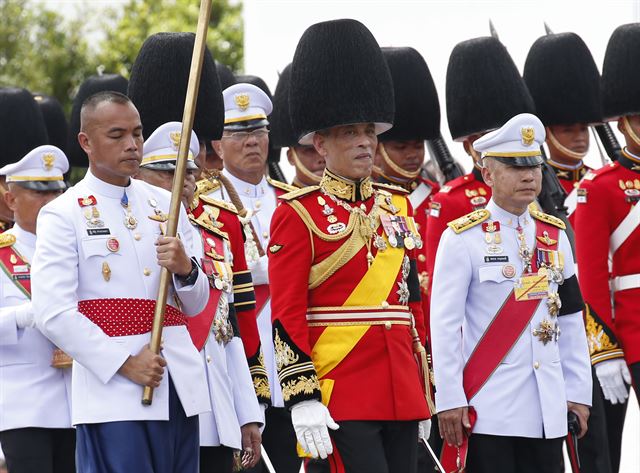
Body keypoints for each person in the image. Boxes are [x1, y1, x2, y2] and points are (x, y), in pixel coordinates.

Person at [268, 19, 432, 473]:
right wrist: (302, 396)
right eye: (348, 132)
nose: (363, 141)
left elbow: (411, 302)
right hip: (341, 388)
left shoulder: (397, 205)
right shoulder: (298, 211)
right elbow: (287, 312)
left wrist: (424, 386)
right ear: (319, 143)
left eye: (368, 131)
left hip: (401, 388)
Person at [31, 91, 211, 473]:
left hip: (177, 381)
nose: (132, 145)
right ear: (86, 142)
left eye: (137, 133)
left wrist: (186, 269)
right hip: (112, 391)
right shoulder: (63, 213)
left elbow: (195, 304)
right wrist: (124, 363)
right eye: (117, 135)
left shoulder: (167, 204)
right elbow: (53, 312)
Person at [431, 113, 592, 473]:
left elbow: (570, 318)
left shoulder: (554, 235)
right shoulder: (461, 238)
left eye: (534, 166)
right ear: (488, 174)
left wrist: (578, 393)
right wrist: (450, 398)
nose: (529, 176)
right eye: (516, 167)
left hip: (547, 408)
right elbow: (444, 327)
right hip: (490, 409)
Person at [136, 121, 264, 472]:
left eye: (189, 172)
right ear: (140, 177)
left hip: (214, 408)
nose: (184, 181)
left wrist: (247, 411)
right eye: (168, 173)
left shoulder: (214, 239)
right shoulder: (132, 237)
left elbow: (228, 331)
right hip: (160, 402)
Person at [523, 31, 613, 473]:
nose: (578, 138)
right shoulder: (531, 190)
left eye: (583, 127)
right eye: (565, 128)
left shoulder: (600, 183)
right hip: (557, 337)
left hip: (609, 335)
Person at [207, 82, 299, 473]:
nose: (252, 142)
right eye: (238, 134)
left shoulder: (292, 200)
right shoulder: (207, 202)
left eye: (258, 131)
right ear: (217, 145)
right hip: (240, 351)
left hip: (290, 355)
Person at [576, 22, 640, 473]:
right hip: (633, 334)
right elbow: (592, 275)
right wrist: (605, 349)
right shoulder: (598, 188)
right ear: (623, 122)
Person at [0, 145, 74, 473]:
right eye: (37, 192)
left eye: (57, 192)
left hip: (80, 401)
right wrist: (22, 315)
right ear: (11, 199)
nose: (50, 202)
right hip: (25, 404)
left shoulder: (77, 251)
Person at [270, 63, 326, 188]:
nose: (321, 157)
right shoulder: (284, 206)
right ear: (291, 157)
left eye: (325, 147)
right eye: (310, 150)